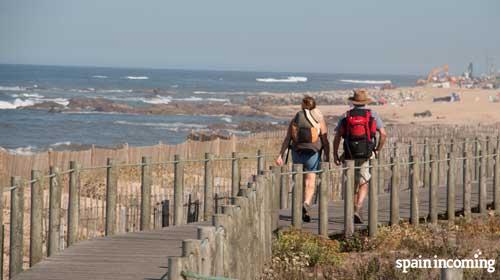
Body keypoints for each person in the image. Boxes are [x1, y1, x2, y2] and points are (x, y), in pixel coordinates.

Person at [333, 89, 387, 224]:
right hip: (366, 152)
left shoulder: (346, 115)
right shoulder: (372, 114)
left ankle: (352, 210)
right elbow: (383, 134)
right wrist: (377, 150)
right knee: (364, 181)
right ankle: (358, 207)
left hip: (349, 153)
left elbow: (338, 136)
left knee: (351, 181)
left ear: (354, 102)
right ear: (365, 102)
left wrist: (335, 154)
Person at [276, 96, 330, 222]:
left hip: (297, 152)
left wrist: (280, 155)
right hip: (313, 153)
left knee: (298, 180)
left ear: (302, 105)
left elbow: (288, 137)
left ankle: (298, 207)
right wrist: (327, 155)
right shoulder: (319, 119)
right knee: (310, 181)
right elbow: (325, 140)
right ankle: (306, 203)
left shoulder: (296, 117)